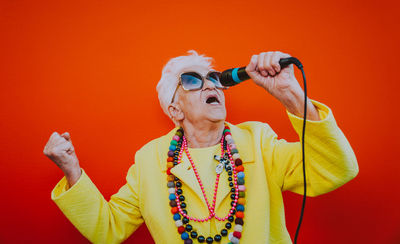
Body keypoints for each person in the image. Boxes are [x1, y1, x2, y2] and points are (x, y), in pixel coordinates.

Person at [44, 50, 359, 244]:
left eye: (215, 79)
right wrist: (72, 172)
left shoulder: (259, 141)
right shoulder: (150, 160)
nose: (211, 84)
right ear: (175, 110)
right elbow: (107, 230)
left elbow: (336, 169)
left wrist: (291, 93)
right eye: (193, 81)